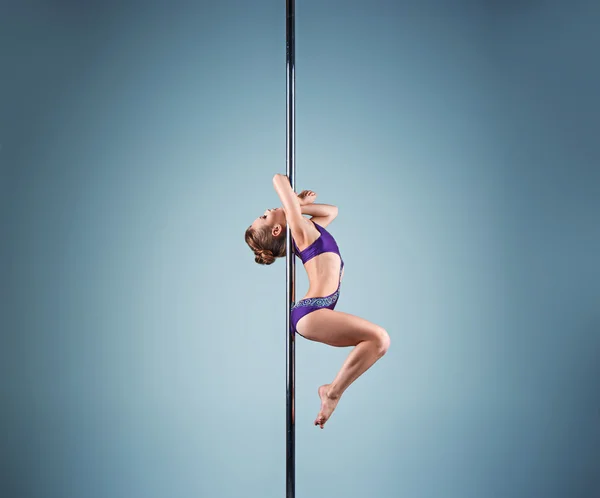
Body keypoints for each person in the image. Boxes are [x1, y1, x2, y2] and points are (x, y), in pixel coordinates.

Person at [245, 174, 390, 429]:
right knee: (379, 339)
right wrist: (291, 202)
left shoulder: (305, 230)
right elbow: (278, 179)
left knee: (377, 341)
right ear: (278, 229)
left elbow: (331, 211)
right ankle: (332, 393)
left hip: (317, 310)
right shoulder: (299, 230)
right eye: (265, 216)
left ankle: (332, 391)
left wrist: (297, 205)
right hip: (310, 312)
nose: (267, 210)